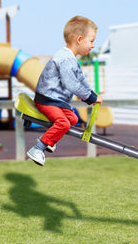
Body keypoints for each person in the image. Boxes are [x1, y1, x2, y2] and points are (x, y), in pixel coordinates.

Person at [26, 16, 103, 166]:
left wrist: (92, 94)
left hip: (57, 101)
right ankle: (38, 148)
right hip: (48, 99)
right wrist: (90, 97)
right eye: (91, 41)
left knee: (73, 120)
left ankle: (50, 140)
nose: (93, 45)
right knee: (63, 123)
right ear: (79, 39)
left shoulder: (71, 59)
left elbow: (80, 80)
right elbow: (72, 84)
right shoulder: (66, 59)